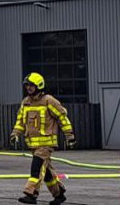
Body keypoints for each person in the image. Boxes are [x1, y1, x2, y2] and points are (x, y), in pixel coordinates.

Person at [10, 72, 75, 204]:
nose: (28, 88)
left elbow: (62, 118)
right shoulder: (26, 102)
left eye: (31, 85)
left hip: (46, 144)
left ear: (39, 86)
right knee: (46, 173)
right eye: (27, 85)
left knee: (36, 168)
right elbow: (20, 121)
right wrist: (15, 134)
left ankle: (31, 194)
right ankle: (59, 194)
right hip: (33, 145)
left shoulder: (48, 101)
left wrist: (70, 136)